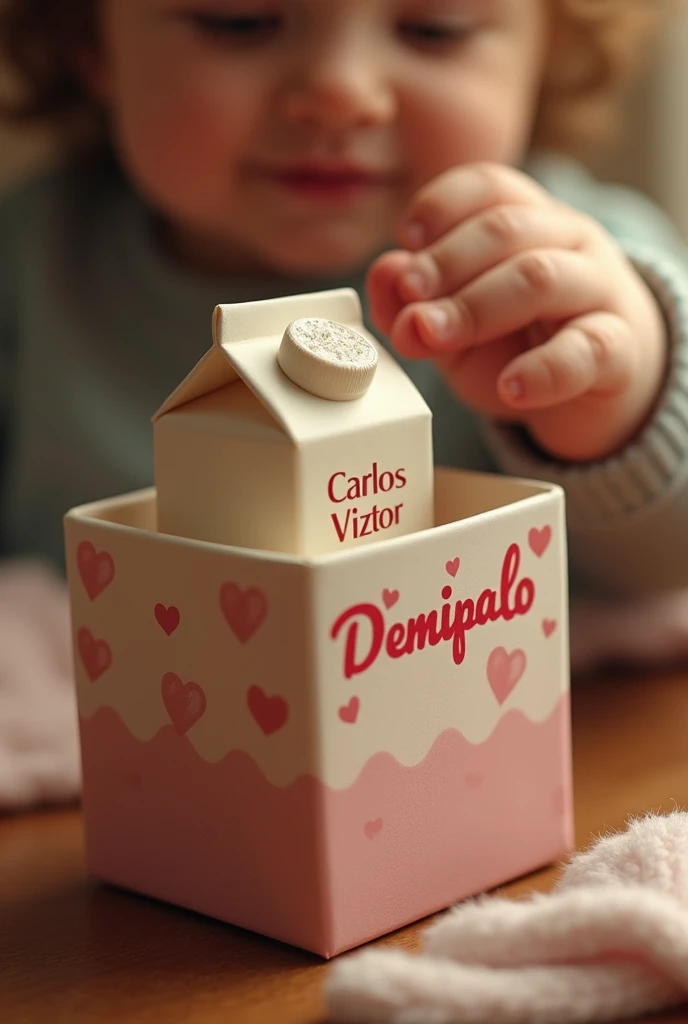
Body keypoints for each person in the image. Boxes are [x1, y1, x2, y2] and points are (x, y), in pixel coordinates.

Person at [1, 0, 688, 809]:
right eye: (239, 22)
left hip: (488, 788)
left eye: (436, 30)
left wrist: (619, 410)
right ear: (93, 46)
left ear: (545, 56)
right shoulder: (32, 261)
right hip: (143, 807)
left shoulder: (562, 271)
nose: (339, 92)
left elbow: (668, 569)